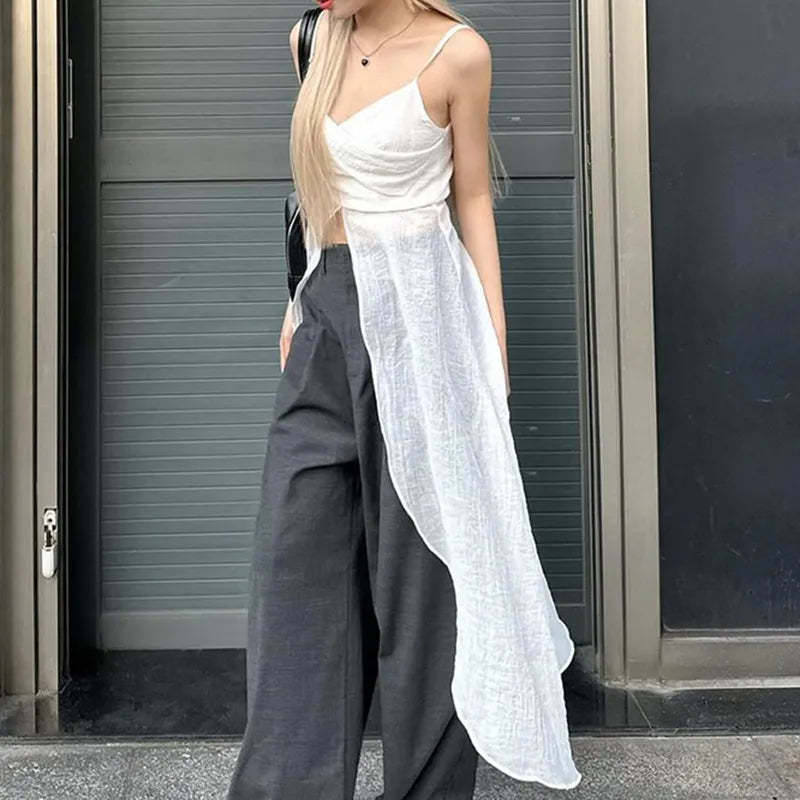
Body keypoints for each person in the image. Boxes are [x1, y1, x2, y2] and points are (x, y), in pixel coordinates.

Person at [226, 1, 582, 797]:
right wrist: (296, 302)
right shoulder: (312, 39)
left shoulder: (459, 55)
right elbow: (318, 191)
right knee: (295, 575)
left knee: (423, 585)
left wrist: (492, 348)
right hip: (328, 317)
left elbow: (473, 199)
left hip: (424, 323)